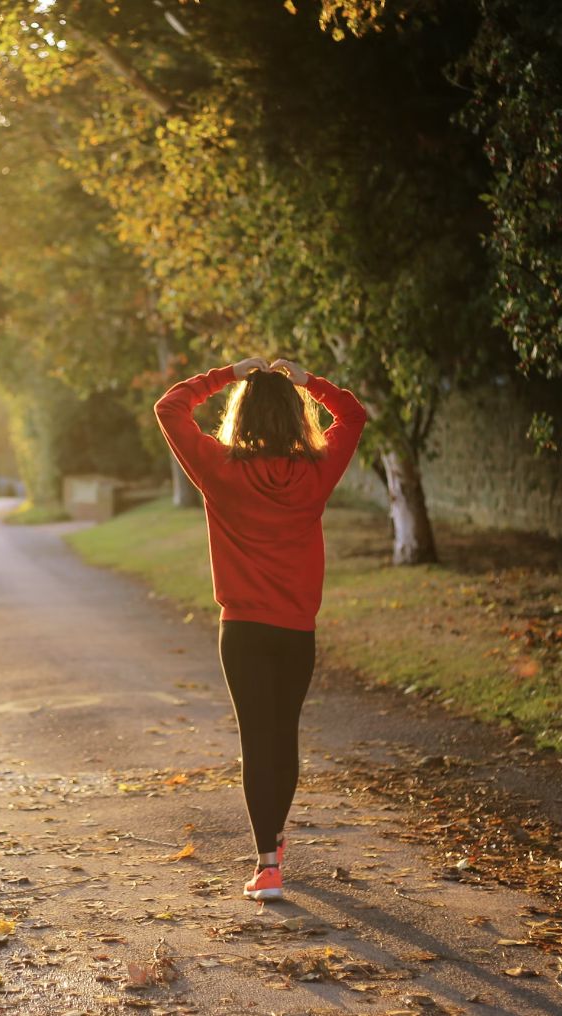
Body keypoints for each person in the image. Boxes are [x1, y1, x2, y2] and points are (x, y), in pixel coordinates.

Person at [154, 356, 368, 901]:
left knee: (257, 739)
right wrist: (309, 382)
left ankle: (267, 863)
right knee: (284, 734)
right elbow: (354, 414)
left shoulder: (219, 469)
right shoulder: (316, 471)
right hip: (296, 630)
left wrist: (227, 374)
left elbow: (170, 407)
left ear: (241, 416)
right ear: (296, 418)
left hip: (243, 631)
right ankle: (272, 842)